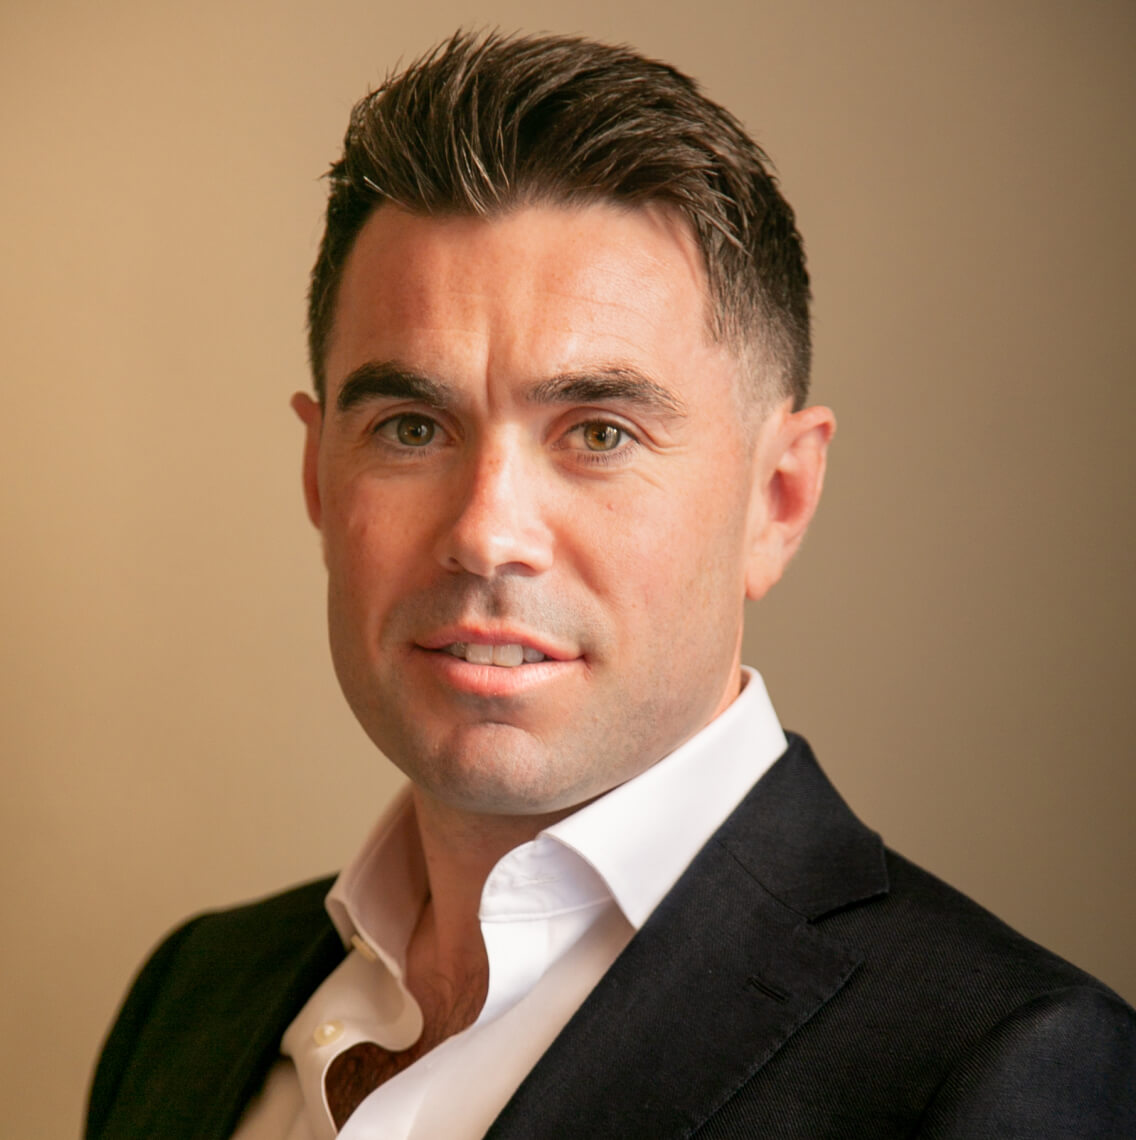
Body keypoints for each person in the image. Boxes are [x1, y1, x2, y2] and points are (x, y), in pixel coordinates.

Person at [86, 30, 1135, 1140]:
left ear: (777, 500)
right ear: (317, 473)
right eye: (411, 427)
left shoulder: (1006, 1072)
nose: (486, 535)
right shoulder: (189, 998)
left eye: (598, 432)